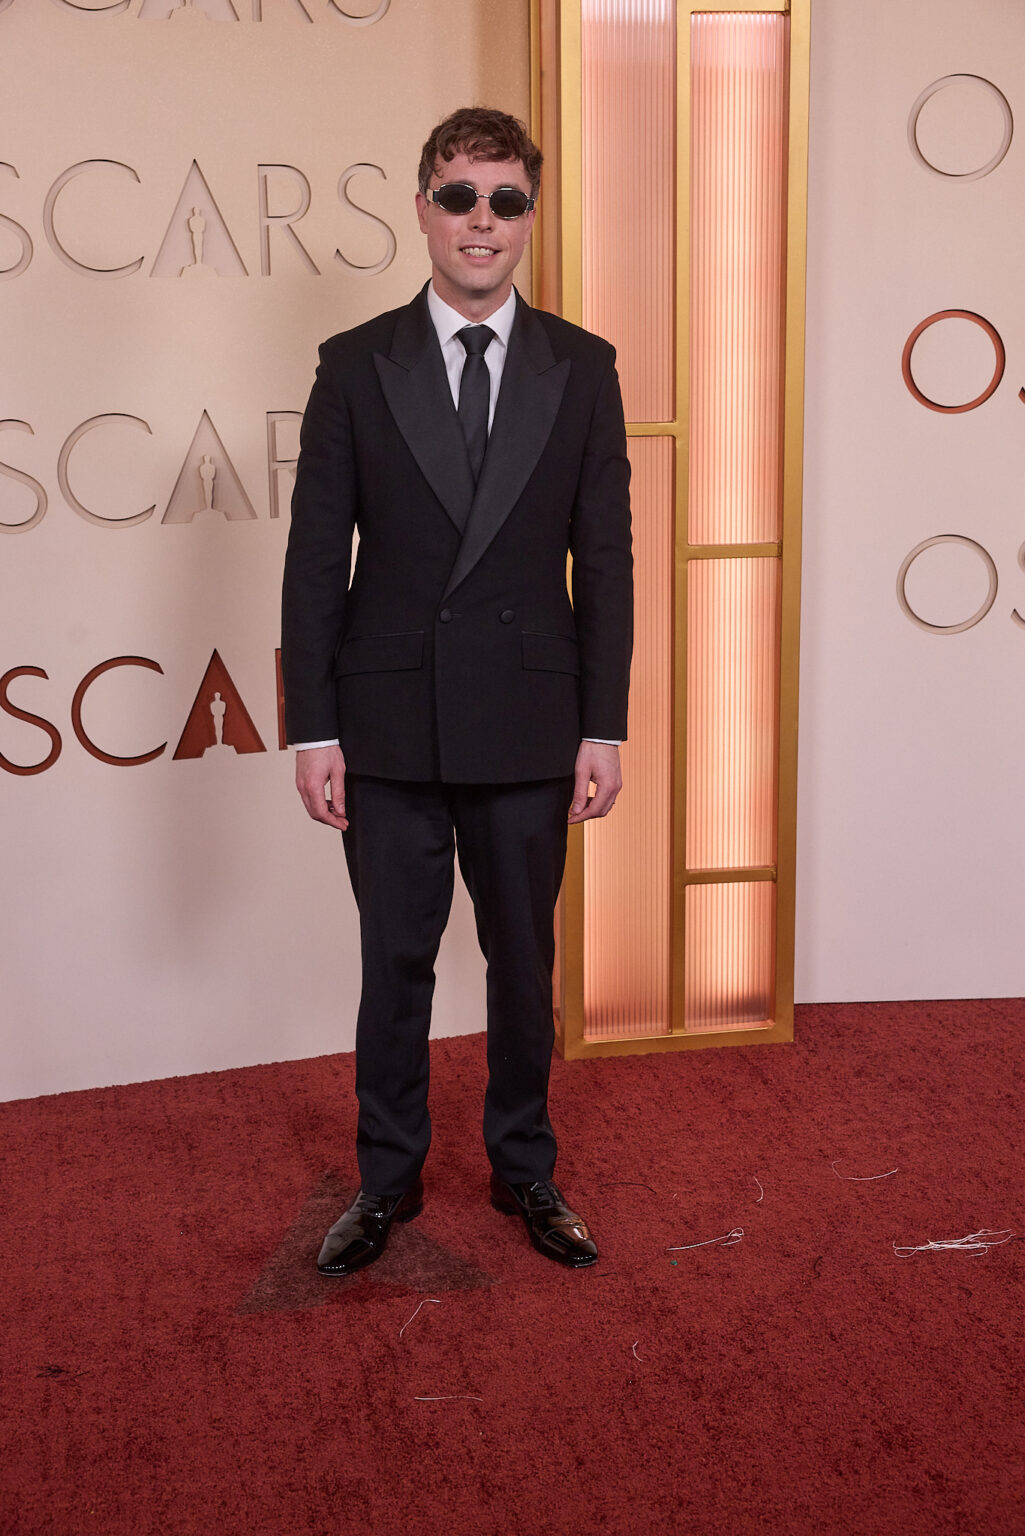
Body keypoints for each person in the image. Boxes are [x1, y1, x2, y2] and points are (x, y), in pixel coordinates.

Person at [281, 106, 632, 1277]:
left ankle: (523, 1168)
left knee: (522, 966)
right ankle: (386, 1184)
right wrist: (313, 726)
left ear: (528, 213)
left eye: (505, 201)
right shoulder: (352, 363)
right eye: (458, 197)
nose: (481, 223)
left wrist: (603, 723)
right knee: (395, 962)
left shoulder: (581, 368)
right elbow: (313, 557)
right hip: (385, 723)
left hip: (533, 721)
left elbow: (608, 558)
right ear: (422, 204)